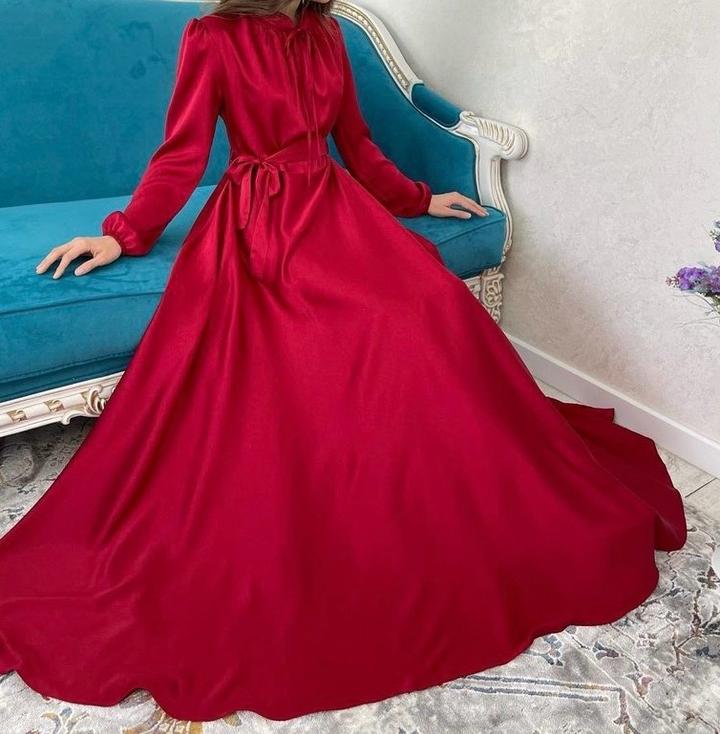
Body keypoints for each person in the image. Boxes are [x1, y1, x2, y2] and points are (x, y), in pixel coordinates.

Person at [3, 0, 686, 723]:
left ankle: (446, 483)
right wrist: (123, 233)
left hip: (332, 208)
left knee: (424, 305)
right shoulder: (214, 36)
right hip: (258, 225)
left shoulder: (326, 32)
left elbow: (355, 140)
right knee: (318, 335)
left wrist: (417, 197)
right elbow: (182, 152)